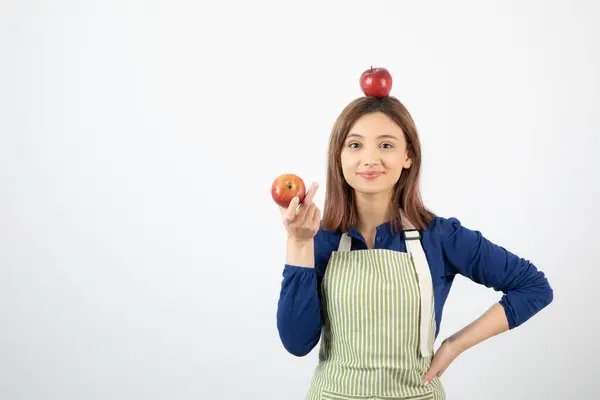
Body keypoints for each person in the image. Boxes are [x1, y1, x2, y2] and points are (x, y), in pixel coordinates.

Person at [275, 95, 553, 400]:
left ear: (408, 155)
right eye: (355, 145)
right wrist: (298, 243)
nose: (370, 158)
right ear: (338, 156)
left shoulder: (440, 237)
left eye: (386, 145)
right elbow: (297, 342)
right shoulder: (320, 239)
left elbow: (533, 287)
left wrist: (454, 345)